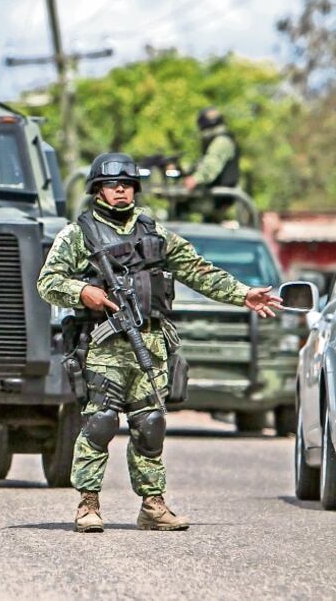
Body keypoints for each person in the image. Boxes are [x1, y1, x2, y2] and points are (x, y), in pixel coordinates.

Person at [37, 153, 280, 533]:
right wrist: (83, 290)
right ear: (98, 190)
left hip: (150, 342)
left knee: (150, 425)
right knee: (99, 423)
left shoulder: (154, 232)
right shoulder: (78, 234)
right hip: (103, 344)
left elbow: (198, 269)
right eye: (112, 184)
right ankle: (88, 504)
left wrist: (243, 294)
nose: (121, 190)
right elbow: (47, 281)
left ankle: (152, 504)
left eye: (127, 184)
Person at [181, 106, 240, 222]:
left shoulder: (221, 142)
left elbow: (211, 165)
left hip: (221, 200)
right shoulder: (220, 140)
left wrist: (195, 179)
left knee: (181, 207)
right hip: (217, 198)